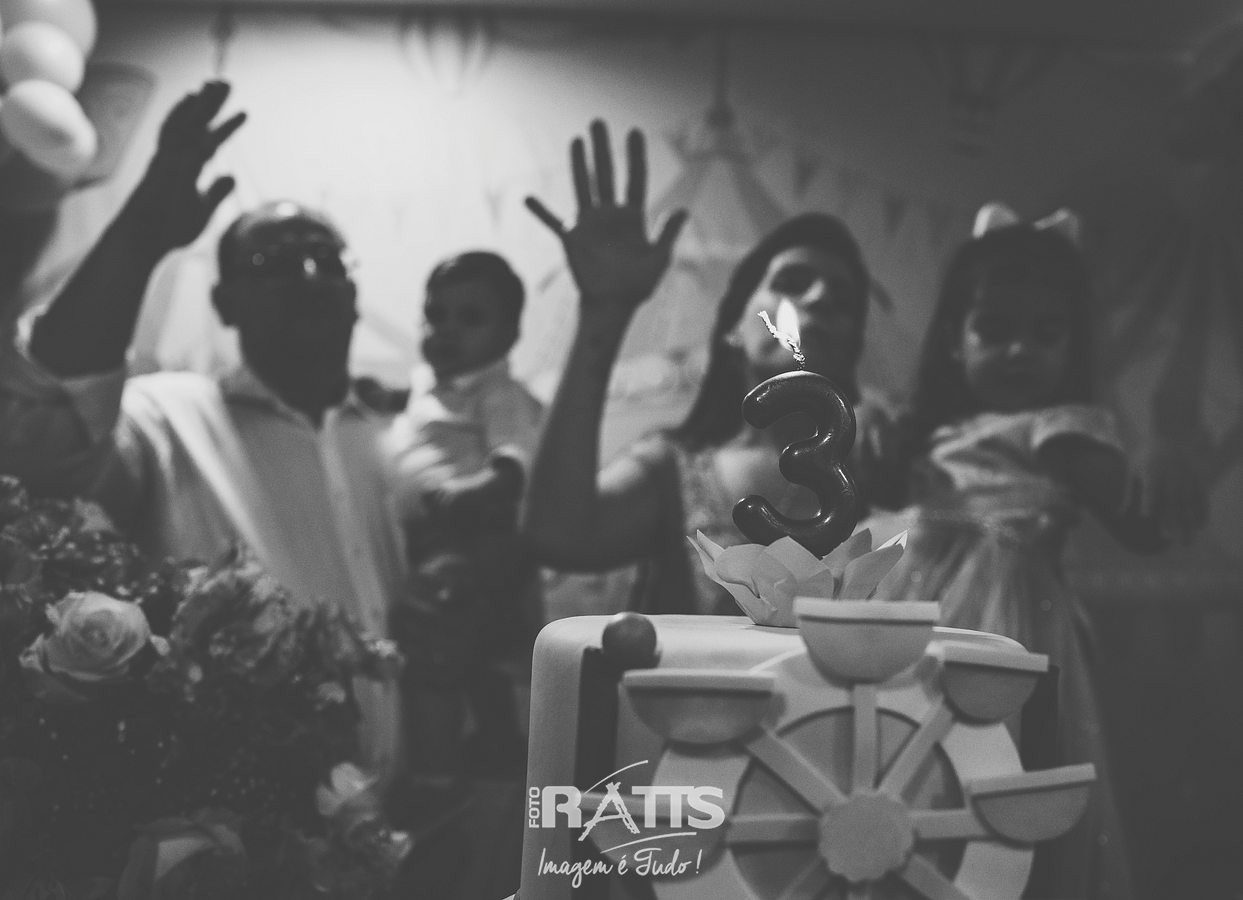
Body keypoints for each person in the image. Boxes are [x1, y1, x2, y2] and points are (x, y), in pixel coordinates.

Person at [0, 81, 403, 784]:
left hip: (429, 815)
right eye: (274, 263)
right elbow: (47, 430)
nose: (309, 276)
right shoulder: (168, 418)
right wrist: (142, 234)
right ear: (223, 302)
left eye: (327, 258)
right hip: (252, 824)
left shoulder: (395, 434)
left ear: (354, 290)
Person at [868, 210, 1208, 900]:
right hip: (914, 619)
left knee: (999, 772)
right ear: (954, 341)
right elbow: (875, 500)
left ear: (1073, 345)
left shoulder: (1060, 430)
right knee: (908, 765)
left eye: (1045, 333)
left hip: (1011, 624)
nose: (1019, 350)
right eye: (994, 330)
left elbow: (1142, 526)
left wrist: (1164, 463)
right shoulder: (932, 434)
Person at [522, 121, 897, 615]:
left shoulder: (888, 464)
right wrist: (604, 311)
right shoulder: (674, 470)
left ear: (853, 344)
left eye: (843, 300)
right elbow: (557, 535)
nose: (820, 299)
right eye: (792, 281)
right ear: (733, 329)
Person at [384, 250, 543, 777]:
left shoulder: (498, 394)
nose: (447, 329)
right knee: (474, 656)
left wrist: (470, 492)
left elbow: (513, 465)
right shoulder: (432, 385)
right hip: (438, 542)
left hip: (474, 538)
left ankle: (436, 771)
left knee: (432, 638)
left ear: (510, 333)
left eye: (470, 318)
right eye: (436, 314)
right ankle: (494, 749)